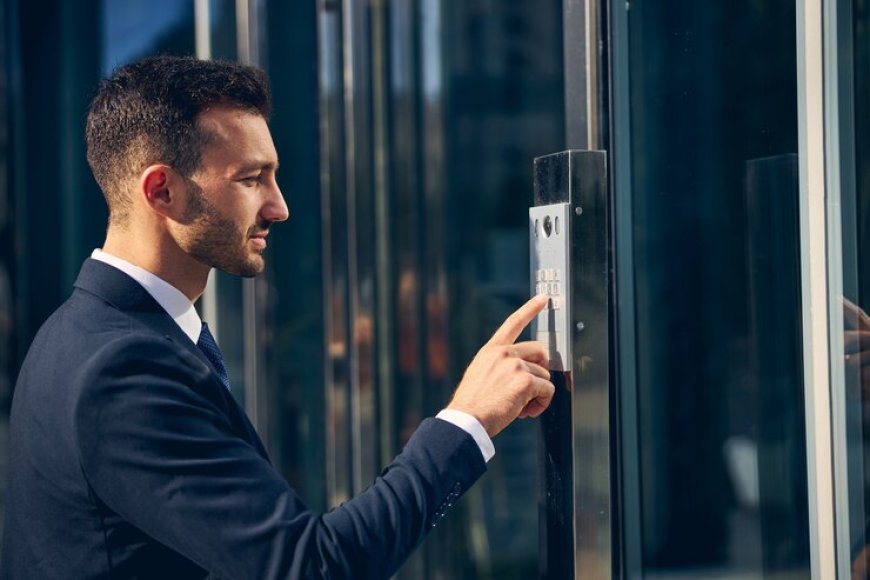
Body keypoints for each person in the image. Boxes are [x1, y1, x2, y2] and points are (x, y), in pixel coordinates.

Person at [0, 56, 554, 579]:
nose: (279, 206)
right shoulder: (120, 368)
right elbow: (310, 566)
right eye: (251, 179)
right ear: (161, 190)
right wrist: (469, 419)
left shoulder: (81, 333)